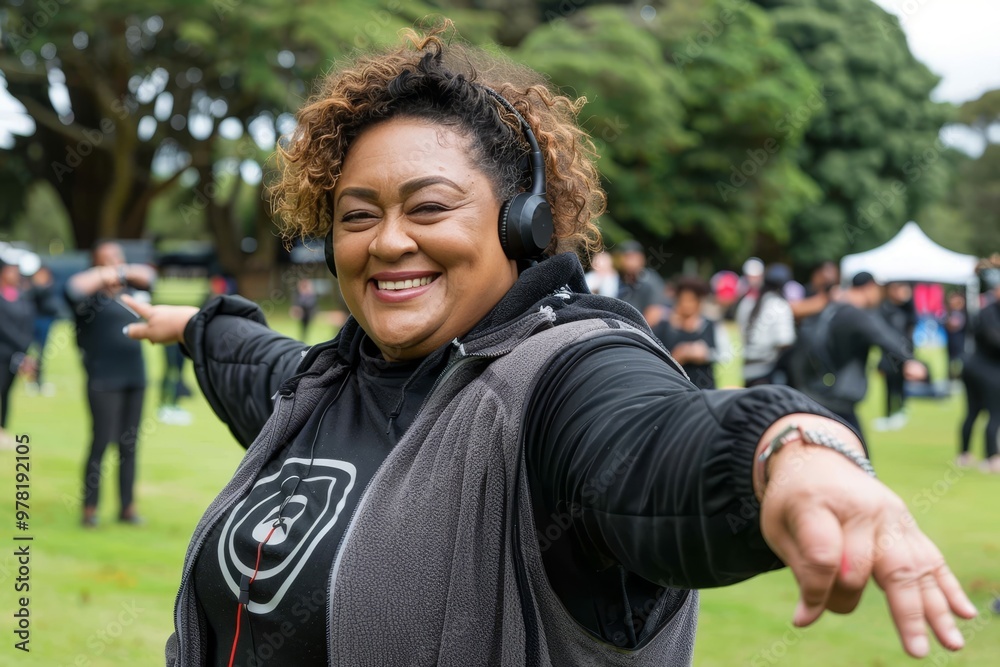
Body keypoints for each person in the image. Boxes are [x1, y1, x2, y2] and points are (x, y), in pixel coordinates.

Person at [124, 27, 973, 666]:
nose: (386, 242)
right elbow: (258, 367)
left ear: (521, 224)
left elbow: (653, 446)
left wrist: (787, 449)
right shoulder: (331, 381)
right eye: (356, 215)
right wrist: (198, 328)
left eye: (428, 208)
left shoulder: (560, 375)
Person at [66, 241, 156, 527]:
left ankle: (127, 507)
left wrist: (119, 273)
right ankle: (90, 509)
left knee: (129, 445)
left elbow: (150, 276)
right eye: (107, 260)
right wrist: (107, 274)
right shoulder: (87, 302)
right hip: (103, 379)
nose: (116, 265)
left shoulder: (132, 294)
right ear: (95, 264)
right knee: (101, 442)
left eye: (118, 258)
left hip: (134, 377)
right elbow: (73, 287)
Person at [789, 272, 927, 439]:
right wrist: (910, 360)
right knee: (857, 458)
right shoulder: (856, 314)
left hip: (815, 390)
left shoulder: (831, 307)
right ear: (870, 287)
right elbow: (884, 336)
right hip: (837, 399)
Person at [957, 270, 1000, 472]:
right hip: (984, 370)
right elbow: (993, 341)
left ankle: (965, 454)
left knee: (975, 412)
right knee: (992, 412)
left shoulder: (987, 311)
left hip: (977, 367)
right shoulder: (988, 312)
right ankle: (991, 458)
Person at [651, 276, 723, 389]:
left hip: (703, 389)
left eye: (691, 300)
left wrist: (694, 352)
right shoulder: (666, 326)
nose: (686, 304)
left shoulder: (708, 325)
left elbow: (716, 353)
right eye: (682, 299)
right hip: (674, 388)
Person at [736, 263, 796, 387]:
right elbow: (785, 341)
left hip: (745, 370)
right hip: (767, 372)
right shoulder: (780, 305)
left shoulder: (747, 302)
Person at [874, 282, 918, 431]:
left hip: (904, 354)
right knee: (888, 386)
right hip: (888, 355)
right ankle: (887, 414)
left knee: (901, 385)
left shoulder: (907, 309)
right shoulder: (884, 308)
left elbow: (911, 329)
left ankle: (900, 411)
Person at [0, 257, 35, 446]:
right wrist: (21, 343)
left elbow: (28, 323)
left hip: (14, 355)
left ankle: (2, 428)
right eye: (11, 271)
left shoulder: (21, 296)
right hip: (3, 351)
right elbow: (3, 327)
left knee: (6, 392)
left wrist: (25, 348)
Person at [26, 265, 62, 396]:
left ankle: (38, 380)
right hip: (34, 320)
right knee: (31, 351)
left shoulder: (50, 285)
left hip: (46, 321)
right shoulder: (32, 286)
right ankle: (32, 379)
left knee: (41, 352)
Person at [613, 239, 664, 323]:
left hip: (644, 331)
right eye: (627, 257)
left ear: (642, 258)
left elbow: (655, 312)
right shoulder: (617, 281)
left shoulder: (651, 280)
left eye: (633, 257)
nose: (630, 262)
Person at [943, 291, 967, 386]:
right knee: (950, 362)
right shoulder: (948, 313)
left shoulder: (965, 313)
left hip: (961, 343)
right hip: (950, 343)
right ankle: (951, 379)